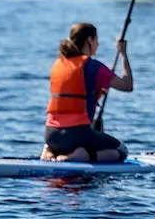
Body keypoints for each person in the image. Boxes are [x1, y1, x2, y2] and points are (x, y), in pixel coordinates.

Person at [43, 22, 133, 163]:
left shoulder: (58, 64)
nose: (98, 44)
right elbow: (127, 85)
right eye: (97, 40)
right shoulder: (93, 66)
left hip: (51, 134)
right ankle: (82, 155)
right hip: (77, 135)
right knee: (121, 151)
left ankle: (49, 151)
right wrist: (123, 54)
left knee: (70, 140)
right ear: (89, 40)